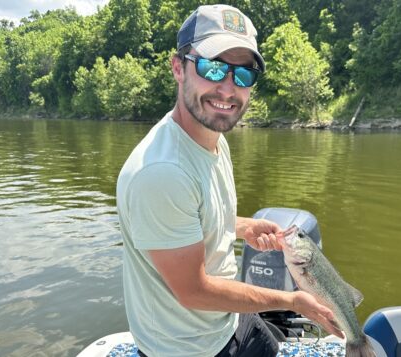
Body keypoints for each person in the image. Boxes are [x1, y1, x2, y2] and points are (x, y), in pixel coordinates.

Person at [116, 4, 343, 357]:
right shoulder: (161, 173)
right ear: (179, 68)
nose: (227, 88)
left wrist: (242, 227)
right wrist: (293, 301)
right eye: (212, 67)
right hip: (186, 348)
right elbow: (194, 291)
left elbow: (197, 220)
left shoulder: (212, 138)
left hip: (227, 320)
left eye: (243, 74)